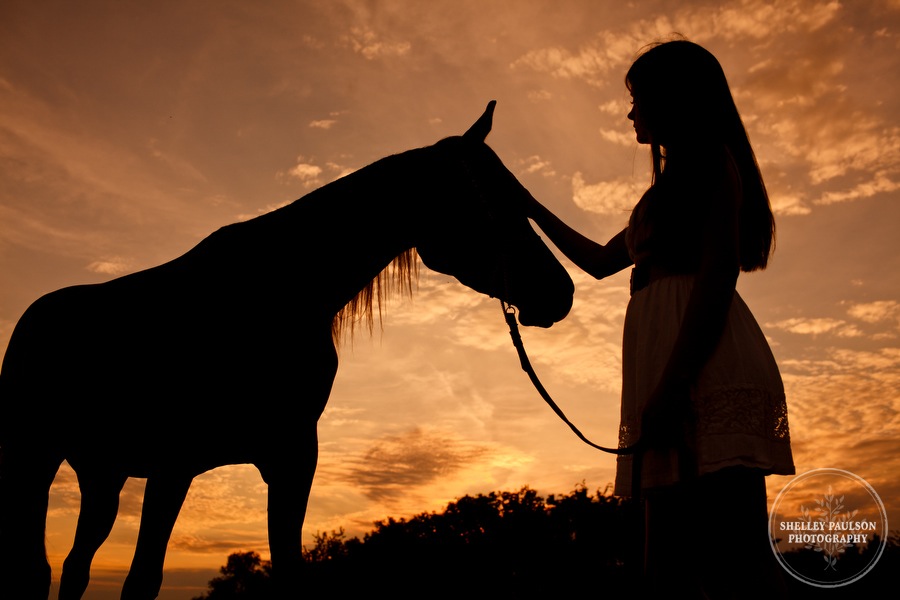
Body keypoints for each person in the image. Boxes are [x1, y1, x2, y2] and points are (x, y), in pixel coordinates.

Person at [526, 38, 795, 598]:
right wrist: (521, 201)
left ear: (675, 98)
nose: (630, 111)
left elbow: (720, 277)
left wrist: (673, 385)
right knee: (667, 559)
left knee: (727, 558)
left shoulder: (711, 164)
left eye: (638, 97)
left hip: (700, 361)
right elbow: (599, 261)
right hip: (667, 360)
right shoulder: (666, 190)